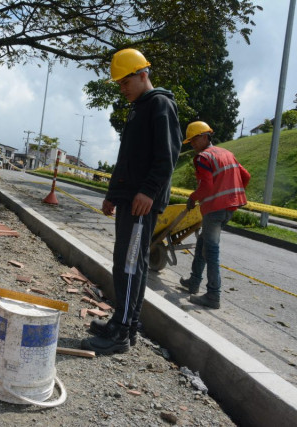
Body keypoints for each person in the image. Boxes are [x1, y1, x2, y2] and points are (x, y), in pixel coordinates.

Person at [81, 49, 182, 355]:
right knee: (125, 262)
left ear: (142, 75)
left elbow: (168, 156)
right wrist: (114, 193)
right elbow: (127, 159)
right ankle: (126, 323)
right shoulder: (139, 108)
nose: (122, 88)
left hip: (142, 202)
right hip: (131, 198)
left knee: (129, 265)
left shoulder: (160, 104)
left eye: (125, 82)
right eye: (118, 83)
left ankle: (122, 333)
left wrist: (149, 191)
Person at [179, 121, 250, 309]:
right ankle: (194, 282)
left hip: (215, 209)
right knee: (203, 242)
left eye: (194, 140)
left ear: (204, 137)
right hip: (230, 208)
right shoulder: (227, 154)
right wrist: (231, 194)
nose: (192, 144)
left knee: (210, 251)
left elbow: (207, 186)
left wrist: (193, 198)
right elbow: (246, 177)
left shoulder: (203, 157)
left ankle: (213, 295)